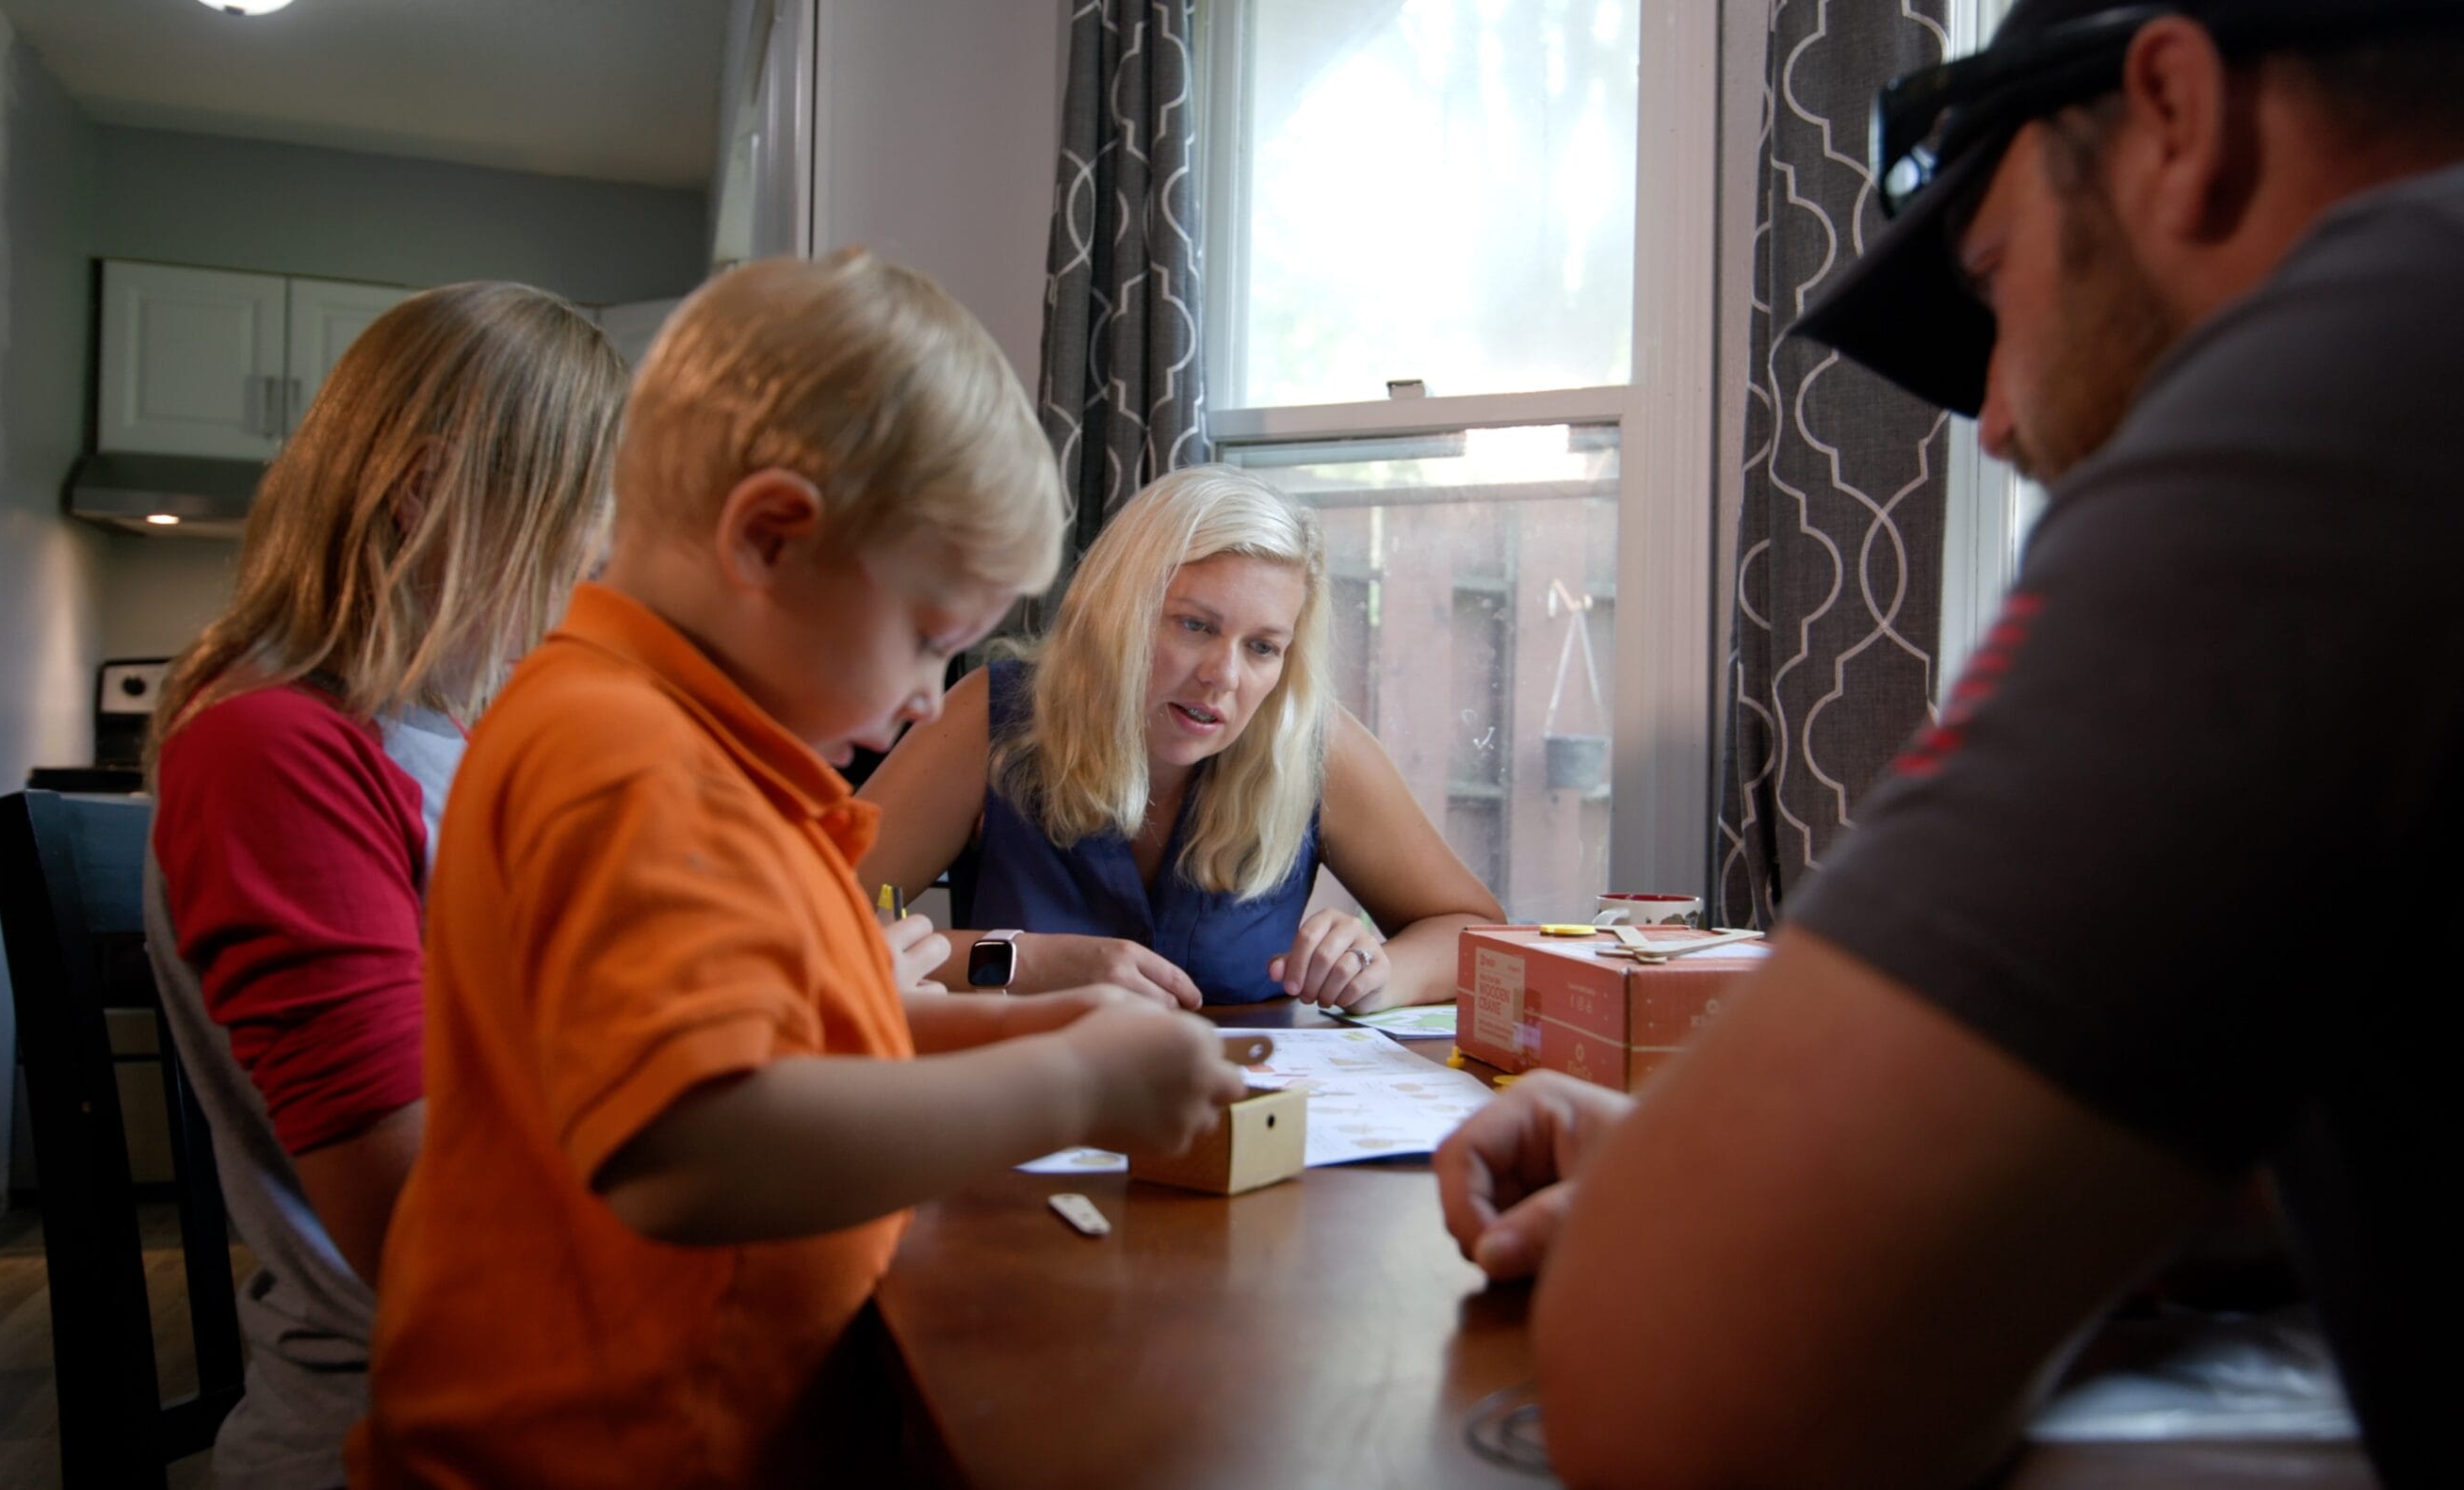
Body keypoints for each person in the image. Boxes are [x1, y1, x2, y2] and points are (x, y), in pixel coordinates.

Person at [1435, 2, 2464, 1485]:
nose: (1995, 418)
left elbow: (1676, 1395)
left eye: (1994, 280)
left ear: (2178, 113)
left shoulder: (2420, 337)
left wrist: (1741, 1219)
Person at [352, 251, 1246, 1487]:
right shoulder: (625, 756)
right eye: (929, 640)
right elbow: (688, 1141)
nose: (927, 702)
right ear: (769, 538)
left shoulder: (701, 745)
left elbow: (809, 1041)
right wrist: (1071, 1084)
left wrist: (1041, 1024)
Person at [145, 281, 627, 1487]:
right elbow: (432, 1237)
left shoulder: (450, 745)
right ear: (427, 492)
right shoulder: (275, 750)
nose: (591, 572)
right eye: (579, 526)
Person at [855, 463, 1505, 1012]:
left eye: (1262, 647)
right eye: (1194, 626)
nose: (1223, 676)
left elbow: (1478, 935)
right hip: (1021, 1121)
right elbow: (802, 925)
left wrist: (1379, 969)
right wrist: (1022, 961)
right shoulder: (992, 718)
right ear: (1118, 616)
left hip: (1244, 1129)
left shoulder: (1305, 740)